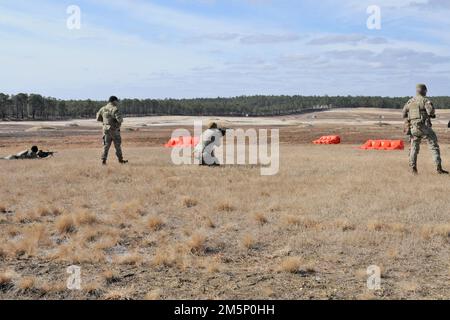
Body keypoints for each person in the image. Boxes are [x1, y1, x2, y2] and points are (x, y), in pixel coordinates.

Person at [402, 84, 448, 175]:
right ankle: (438, 168)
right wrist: (431, 114)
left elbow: (404, 113)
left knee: (414, 148)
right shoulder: (425, 101)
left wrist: (408, 124)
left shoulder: (410, 101)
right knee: (434, 146)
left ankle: (413, 169)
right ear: (424, 91)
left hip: (413, 128)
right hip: (424, 127)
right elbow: (430, 112)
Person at [96, 96, 128, 165]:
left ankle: (103, 161)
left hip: (105, 130)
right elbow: (120, 120)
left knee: (106, 146)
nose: (117, 102)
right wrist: (116, 124)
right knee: (117, 146)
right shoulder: (114, 109)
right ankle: (120, 160)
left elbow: (98, 118)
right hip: (114, 130)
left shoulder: (103, 108)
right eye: (117, 101)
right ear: (114, 101)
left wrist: (106, 123)